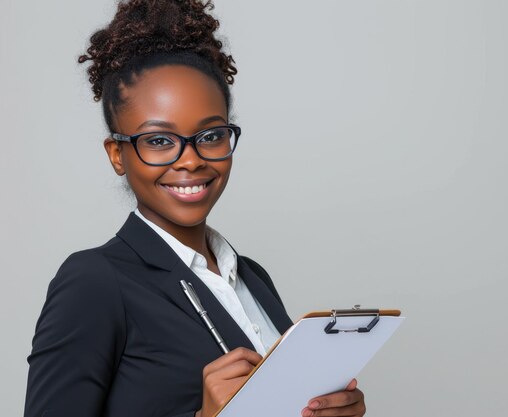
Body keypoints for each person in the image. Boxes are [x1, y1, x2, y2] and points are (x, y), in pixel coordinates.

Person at [24, 1, 367, 416]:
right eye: (159, 141)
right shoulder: (94, 282)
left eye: (210, 135)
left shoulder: (252, 277)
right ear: (117, 154)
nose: (190, 160)